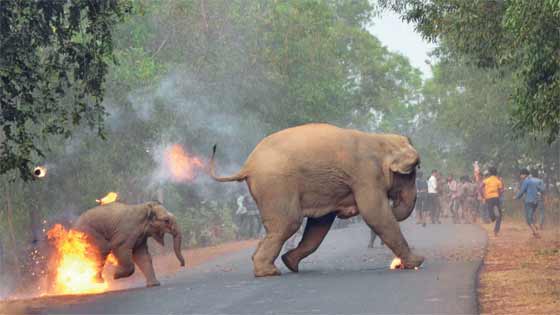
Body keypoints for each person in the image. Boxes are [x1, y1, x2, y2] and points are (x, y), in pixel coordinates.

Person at [515, 169, 544, 237]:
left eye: (521, 175)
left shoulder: (526, 181)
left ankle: (536, 233)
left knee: (528, 219)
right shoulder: (537, 180)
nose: (520, 176)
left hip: (529, 201)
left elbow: (522, 191)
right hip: (536, 201)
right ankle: (535, 227)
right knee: (532, 215)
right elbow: (542, 190)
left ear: (524, 174)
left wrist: (516, 197)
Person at [481, 167, 504, 236]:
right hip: (496, 198)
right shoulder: (498, 181)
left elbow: (480, 187)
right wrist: (499, 194)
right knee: (499, 216)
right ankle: (496, 230)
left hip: (488, 198)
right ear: (496, 173)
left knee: (491, 212)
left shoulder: (486, 180)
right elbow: (500, 191)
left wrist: (483, 195)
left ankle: (492, 218)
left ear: (489, 173)